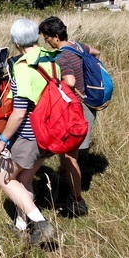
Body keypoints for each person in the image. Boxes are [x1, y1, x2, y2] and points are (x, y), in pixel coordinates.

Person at [0, 18, 58, 247]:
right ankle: (21, 226)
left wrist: (2, 140)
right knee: (24, 179)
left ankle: (41, 223)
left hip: (30, 135)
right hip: (52, 133)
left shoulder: (23, 67)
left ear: (16, 42)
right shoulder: (51, 60)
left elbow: (19, 113)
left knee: (4, 176)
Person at [39, 16, 101, 217]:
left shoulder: (63, 56)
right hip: (89, 105)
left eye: (47, 38)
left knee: (70, 156)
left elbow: (71, 81)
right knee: (69, 154)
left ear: (56, 37)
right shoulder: (79, 46)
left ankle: (76, 201)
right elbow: (96, 52)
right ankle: (65, 185)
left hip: (77, 110)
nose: (46, 42)